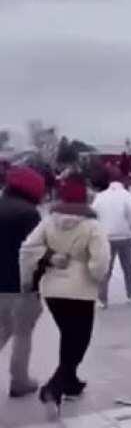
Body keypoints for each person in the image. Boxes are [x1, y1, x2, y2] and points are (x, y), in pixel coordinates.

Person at [19, 173, 110, 419]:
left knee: (69, 335)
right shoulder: (92, 226)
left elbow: (27, 247)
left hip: (52, 290)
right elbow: (100, 261)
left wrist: (49, 258)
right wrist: (94, 275)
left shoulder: (49, 222)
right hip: (80, 290)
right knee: (79, 340)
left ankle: (70, 382)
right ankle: (53, 388)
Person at [0, 166, 46, 398]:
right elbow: (35, 252)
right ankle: (19, 381)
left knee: (4, 328)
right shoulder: (28, 214)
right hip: (22, 286)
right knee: (22, 333)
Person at [92, 169, 131, 308]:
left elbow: (93, 215)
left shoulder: (100, 196)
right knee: (127, 266)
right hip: (125, 236)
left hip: (106, 237)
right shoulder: (128, 196)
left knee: (106, 268)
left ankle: (102, 299)